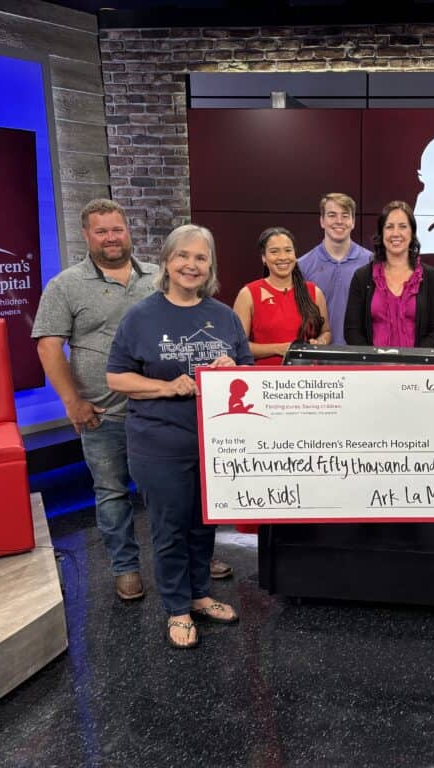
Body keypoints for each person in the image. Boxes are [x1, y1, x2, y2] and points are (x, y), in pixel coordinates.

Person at [33, 199, 233, 600]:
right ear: (86, 235)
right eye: (101, 231)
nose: (111, 237)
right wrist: (73, 402)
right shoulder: (65, 285)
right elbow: (48, 347)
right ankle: (126, 567)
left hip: (166, 416)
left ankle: (194, 567)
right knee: (111, 493)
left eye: (117, 229)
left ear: (129, 231)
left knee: (178, 497)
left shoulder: (157, 278)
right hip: (103, 412)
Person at [107, 224, 253, 650]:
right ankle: (177, 608)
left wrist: (233, 371)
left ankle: (201, 593)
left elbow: (248, 374)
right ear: (167, 262)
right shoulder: (141, 316)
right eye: (183, 256)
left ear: (210, 267)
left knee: (202, 525)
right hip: (158, 443)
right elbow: (116, 377)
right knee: (170, 527)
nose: (191, 265)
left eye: (201, 258)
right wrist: (167, 387)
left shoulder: (223, 316)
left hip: (212, 442)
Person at [344, 201, 434, 348]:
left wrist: (413, 360)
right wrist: (373, 361)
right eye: (389, 227)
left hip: (418, 368)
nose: (395, 233)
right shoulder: (362, 277)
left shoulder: (431, 277)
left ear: (412, 233)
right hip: (373, 368)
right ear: (381, 233)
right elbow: (352, 331)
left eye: (403, 226)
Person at [234, 226, 331, 365]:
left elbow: (326, 332)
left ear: (295, 255)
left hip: (308, 380)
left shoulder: (314, 292)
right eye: (274, 252)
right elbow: (239, 347)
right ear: (264, 258)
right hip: (265, 381)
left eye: (288, 250)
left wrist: (320, 342)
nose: (283, 257)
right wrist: (280, 349)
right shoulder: (248, 294)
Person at [298, 193, 373, 346]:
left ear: (353, 222)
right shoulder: (302, 265)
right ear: (322, 221)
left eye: (345, 216)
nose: (339, 221)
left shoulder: (372, 262)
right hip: (318, 359)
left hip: (362, 356)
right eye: (332, 215)